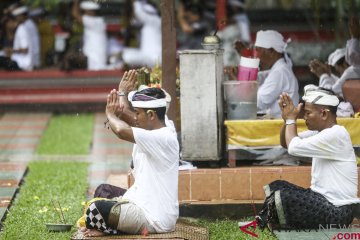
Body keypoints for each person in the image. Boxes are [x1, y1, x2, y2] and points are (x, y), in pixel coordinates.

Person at [80, 70, 179, 237]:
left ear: (151, 115)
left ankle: (110, 228)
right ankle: (109, 224)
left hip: (154, 218)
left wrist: (110, 114)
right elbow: (127, 114)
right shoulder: (158, 124)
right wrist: (122, 93)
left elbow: (120, 130)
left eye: (138, 113)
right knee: (102, 190)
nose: (135, 117)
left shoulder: (164, 137)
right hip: (139, 201)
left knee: (94, 209)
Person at [255, 85, 359, 230]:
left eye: (308, 113)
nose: (304, 117)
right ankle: (272, 222)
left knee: (283, 197)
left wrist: (292, 119)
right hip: (322, 201)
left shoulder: (336, 134)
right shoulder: (322, 132)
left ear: (323, 114)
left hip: (337, 211)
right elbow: (286, 143)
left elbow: (293, 147)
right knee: (277, 186)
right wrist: (287, 120)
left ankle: (263, 223)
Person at [235, 30, 299, 118]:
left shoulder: (280, 72)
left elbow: (257, 103)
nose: (256, 56)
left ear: (271, 51)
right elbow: (257, 78)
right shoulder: (277, 69)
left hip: (280, 127)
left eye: (258, 50)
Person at [63, 0, 107, 71]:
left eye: (84, 12)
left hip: (93, 63)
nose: (83, 14)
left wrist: (76, 1)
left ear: (91, 12)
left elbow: (75, 14)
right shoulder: (98, 22)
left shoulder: (94, 21)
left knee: (68, 57)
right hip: (91, 61)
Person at [121, 0, 161, 67]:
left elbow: (139, 12)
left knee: (126, 55)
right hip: (154, 58)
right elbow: (134, 21)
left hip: (153, 59)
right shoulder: (157, 21)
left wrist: (135, 2)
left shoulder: (151, 20)